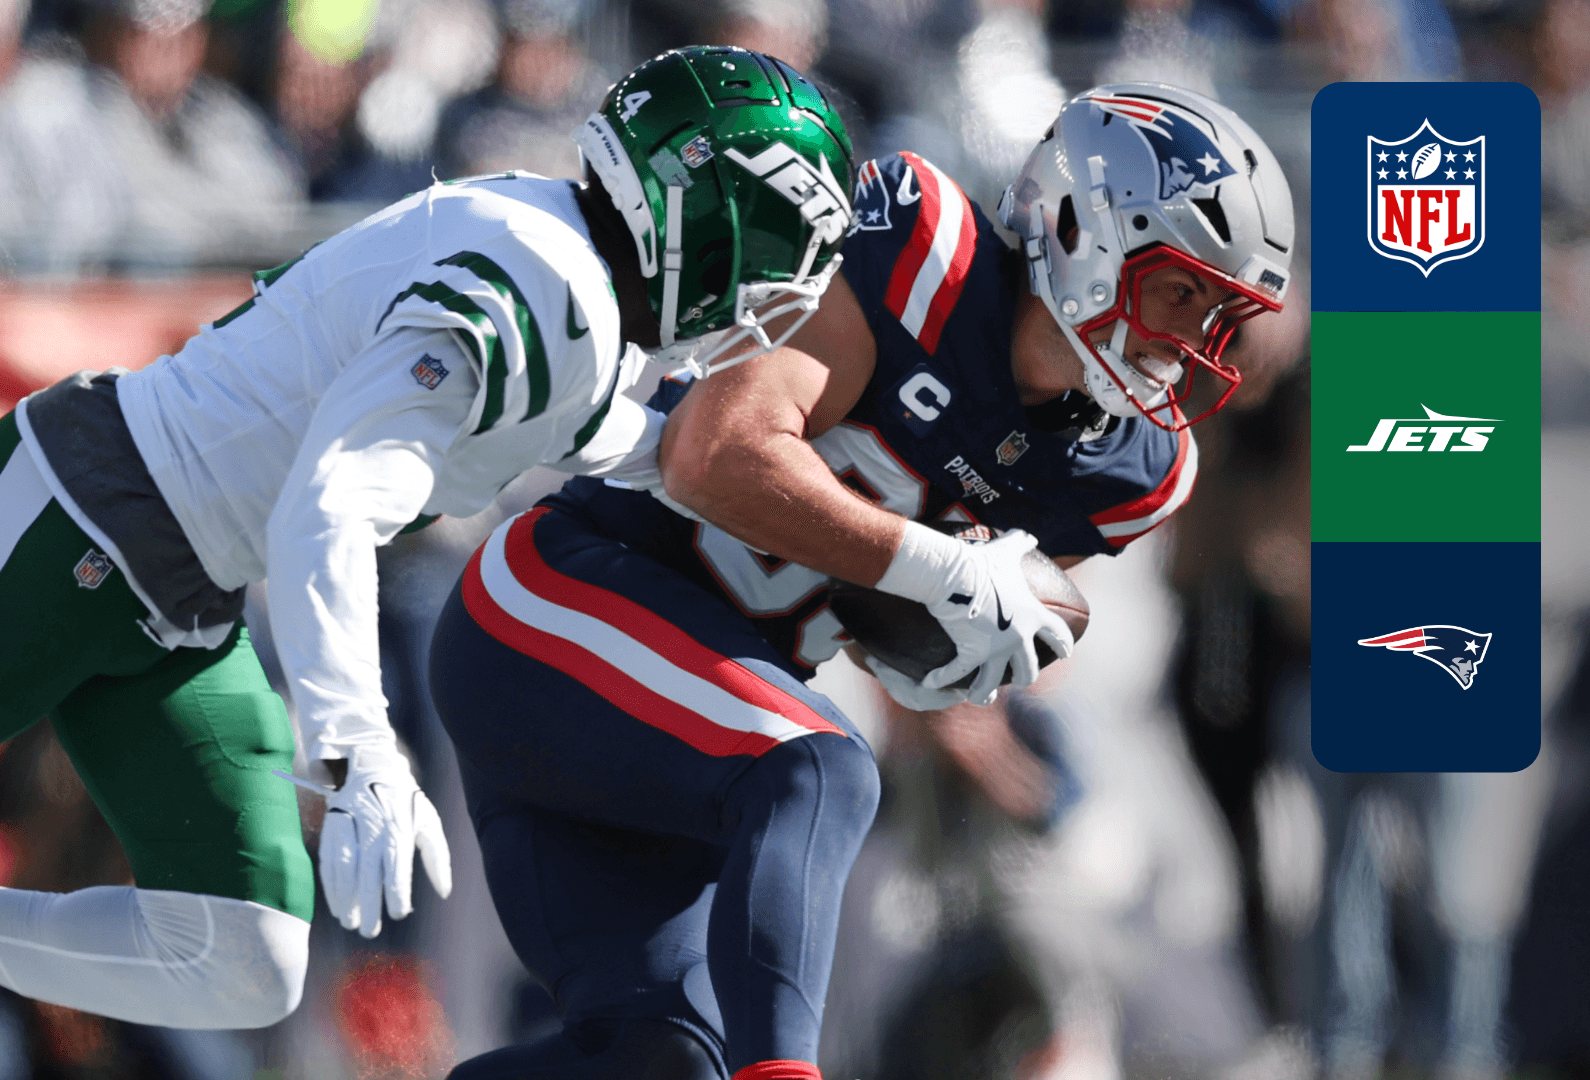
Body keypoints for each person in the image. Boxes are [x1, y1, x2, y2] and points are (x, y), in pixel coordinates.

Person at [0, 45, 854, 1080]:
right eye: (774, 261)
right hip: (80, 520)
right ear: (709, 222)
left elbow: (640, 446)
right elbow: (330, 501)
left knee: (241, 956)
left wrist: (878, 539)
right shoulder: (545, 287)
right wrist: (358, 750)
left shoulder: (569, 284)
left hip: (177, 599)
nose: (770, 303)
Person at [429, 82, 1294, 1080]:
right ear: (1079, 228)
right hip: (560, 610)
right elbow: (714, 454)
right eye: (1180, 292)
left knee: (662, 1061)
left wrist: (953, 666)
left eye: (1220, 313)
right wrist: (944, 566)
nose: (1192, 342)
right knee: (820, 770)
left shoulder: (1132, 471)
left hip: (685, 735)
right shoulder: (927, 259)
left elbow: (911, 633)